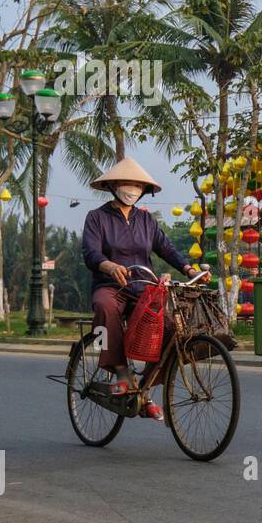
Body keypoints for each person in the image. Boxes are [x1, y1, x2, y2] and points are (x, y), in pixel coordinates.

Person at [81, 158, 193, 423]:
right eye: (126, 183)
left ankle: (144, 386)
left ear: (143, 189)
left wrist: (189, 269)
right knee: (105, 308)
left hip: (143, 287)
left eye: (137, 185)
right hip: (109, 285)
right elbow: (90, 252)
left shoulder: (146, 220)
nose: (131, 188)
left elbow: (166, 249)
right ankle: (120, 370)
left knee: (168, 326)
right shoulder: (97, 217)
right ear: (113, 186)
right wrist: (108, 266)